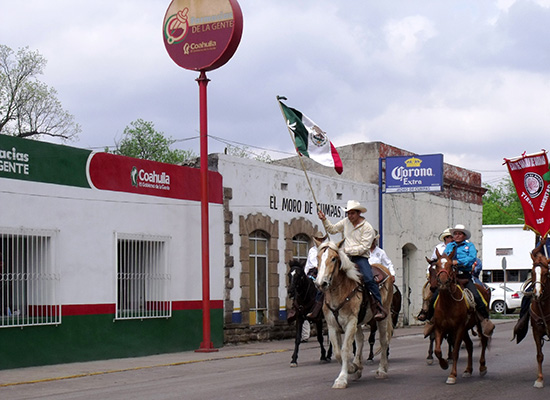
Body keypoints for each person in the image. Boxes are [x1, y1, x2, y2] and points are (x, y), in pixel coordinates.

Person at [317, 200, 387, 321]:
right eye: (348, 213)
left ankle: (378, 306)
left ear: (359, 213)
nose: (350, 216)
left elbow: (364, 248)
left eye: (352, 213)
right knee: (326, 275)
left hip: (360, 258)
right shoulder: (346, 222)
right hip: (345, 256)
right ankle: (318, 305)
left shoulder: (367, 228)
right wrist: (324, 219)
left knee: (369, 278)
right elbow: (332, 229)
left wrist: (346, 250)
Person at [513, 237, 550, 343]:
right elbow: (534, 253)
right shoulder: (545, 241)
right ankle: (522, 320)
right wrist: (541, 245)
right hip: (542, 273)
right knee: (527, 294)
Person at [417, 228, 452, 321]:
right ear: (445, 238)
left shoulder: (456, 247)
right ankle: (425, 310)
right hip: (438, 271)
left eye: (452, 237)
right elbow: (433, 261)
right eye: (448, 237)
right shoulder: (439, 247)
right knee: (429, 289)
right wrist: (429, 273)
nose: (450, 238)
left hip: (450, 271)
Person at [303, 231, 328, 328]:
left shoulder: (325, 250)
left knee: (321, 287)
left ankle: (317, 307)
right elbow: (312, 264)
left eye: (321, 239)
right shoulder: (312, 250)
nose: (320, 241)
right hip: (311, 272)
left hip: (321, 271)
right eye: (318, 239)